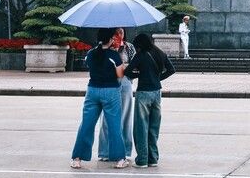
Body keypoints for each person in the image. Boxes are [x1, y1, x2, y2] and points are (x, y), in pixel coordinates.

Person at [71, 28, 129, 169]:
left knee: (86, 125)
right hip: (111, 92)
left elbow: (91, 66)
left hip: (92, 91)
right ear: (110, 39)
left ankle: (77, 158)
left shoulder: (91, 53)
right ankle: (120, 159)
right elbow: (120, 75)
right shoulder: (113, 55)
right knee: (114, 125)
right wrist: (124, 65)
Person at [125, 33, 176, 168]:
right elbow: (171, 69)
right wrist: (158, 78)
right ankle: (153, 159)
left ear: (140, 44)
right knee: (154, 127)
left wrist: (139, 74)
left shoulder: (140, 55)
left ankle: (142, 159)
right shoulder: (160, 53)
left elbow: (128, 72)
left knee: (141, 127)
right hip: (157, 93)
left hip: (143, 93)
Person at [97, 28, 135, 162]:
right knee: (107, 118)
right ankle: (105, 151)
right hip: (108, 81)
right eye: (116, 32)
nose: (119, 35)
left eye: (121, 32)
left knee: (125, 116)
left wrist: (123, 65)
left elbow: (136, 65)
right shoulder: (104, 47)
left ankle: (125, 150)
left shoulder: (129, 47)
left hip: (125, 82)